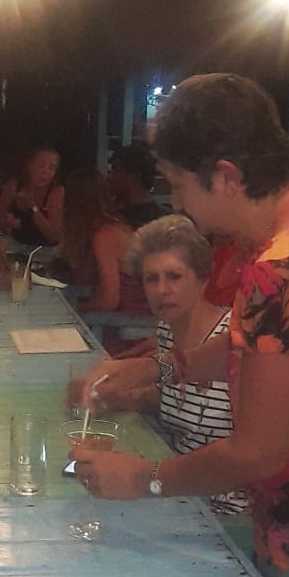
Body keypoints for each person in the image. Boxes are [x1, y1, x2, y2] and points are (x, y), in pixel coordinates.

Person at [73, 73, 289, 577]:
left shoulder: (283, 267)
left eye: (179, 184)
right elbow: (266, 348)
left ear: (225, 177)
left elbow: (258, 453)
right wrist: (154, 366)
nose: (176, 201)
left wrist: (143, 478)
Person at [102, 215, 245, 515]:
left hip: (230, 514)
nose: (162, 289)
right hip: (180, 496)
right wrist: (116, 397)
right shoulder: (168, 332)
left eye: (174, 276)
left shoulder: (235, 340)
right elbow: (177, 398)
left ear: (202, 278)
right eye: (151, 279)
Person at [54, 168, 148, 316]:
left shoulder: (104, 237)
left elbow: (109, 300)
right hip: (129, 317)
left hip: (130, 321)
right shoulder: (117, 226)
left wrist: (74, 311)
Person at [0, 147, 64, 247]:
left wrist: (33, 208)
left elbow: (54, 237)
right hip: (15, 246)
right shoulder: (15, 186)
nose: (46, 172)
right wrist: (5, 202)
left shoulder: (56, 192)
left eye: (52, 168)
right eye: (41, 165)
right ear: (30, 166)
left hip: (45, 250)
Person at [107, 143, 170, 230]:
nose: (110, 176)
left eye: (116, 170)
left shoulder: (119, 221)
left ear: (134, 176)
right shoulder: (167, 219)